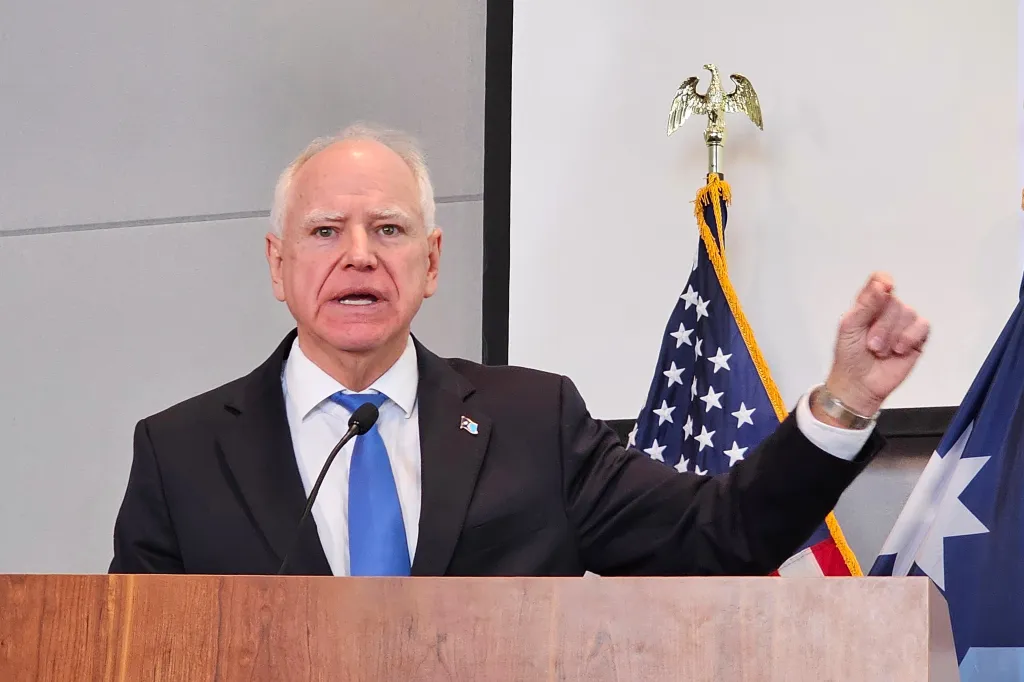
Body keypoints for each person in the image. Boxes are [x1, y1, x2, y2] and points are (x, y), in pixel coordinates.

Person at [108, 123, 929, 577]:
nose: (358, 255)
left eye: (388, 231)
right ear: (277, 264)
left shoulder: (534, 422)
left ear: (430, 264)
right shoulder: (181, 453)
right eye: (325, 232)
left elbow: (722, 532)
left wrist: (844, 401)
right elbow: (130, 659)